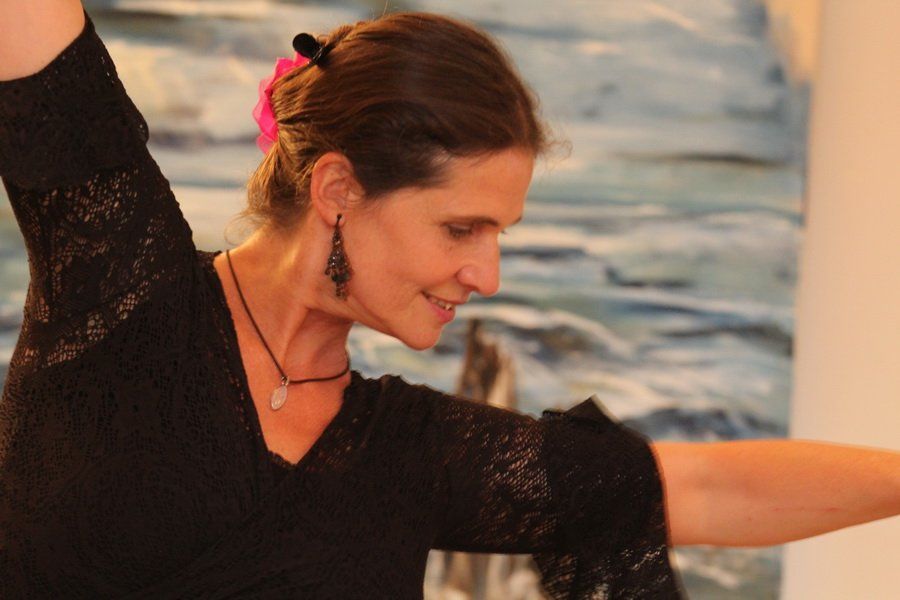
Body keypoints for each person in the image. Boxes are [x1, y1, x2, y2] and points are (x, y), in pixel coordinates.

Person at [0, 2, 897, 598]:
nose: (488, 275)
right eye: (462, 228)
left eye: (499, 233)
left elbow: (696, 486)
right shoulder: (121, 288)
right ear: (339, 190)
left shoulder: (409, 457)